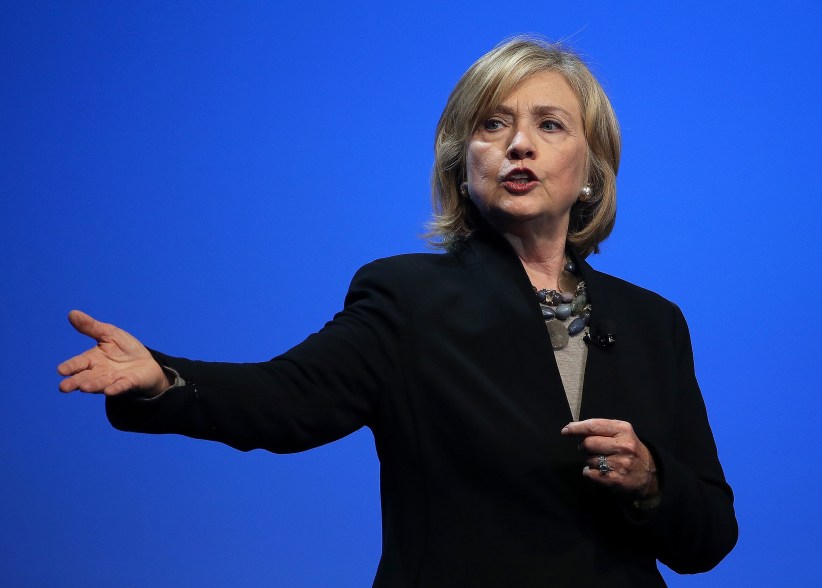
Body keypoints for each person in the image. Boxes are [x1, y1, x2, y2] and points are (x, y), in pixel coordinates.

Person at [57, 37, 737, 587]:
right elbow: (288, 399)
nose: (517, 144)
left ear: (590, 170)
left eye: (548, 125)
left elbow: (708, 535)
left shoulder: (654, 322)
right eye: (492, 124)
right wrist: (163, 379)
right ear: (462, 163)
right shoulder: (408, 297)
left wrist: (650, 478)